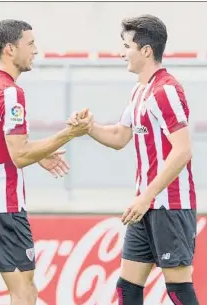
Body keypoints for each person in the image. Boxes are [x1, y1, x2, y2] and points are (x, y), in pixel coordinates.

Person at [0, 19, 92, 305]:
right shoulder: (11, 92)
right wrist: (71, 133)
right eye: (30, 44)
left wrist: (37, 153)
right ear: (9, 49)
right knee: (25, 292)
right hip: (0, 205)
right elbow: (19, 155)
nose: (36, 50)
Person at [68, 14, 199, 305]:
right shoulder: (140, 90)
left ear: (146, 51)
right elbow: (119, 137)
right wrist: (88, 128)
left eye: (126, 46)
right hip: (145, 207)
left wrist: (146, 196)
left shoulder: (166, 90)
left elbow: (183, 150)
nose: (121, 52)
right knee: (127, 288)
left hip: (170, 206)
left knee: (178, 289)